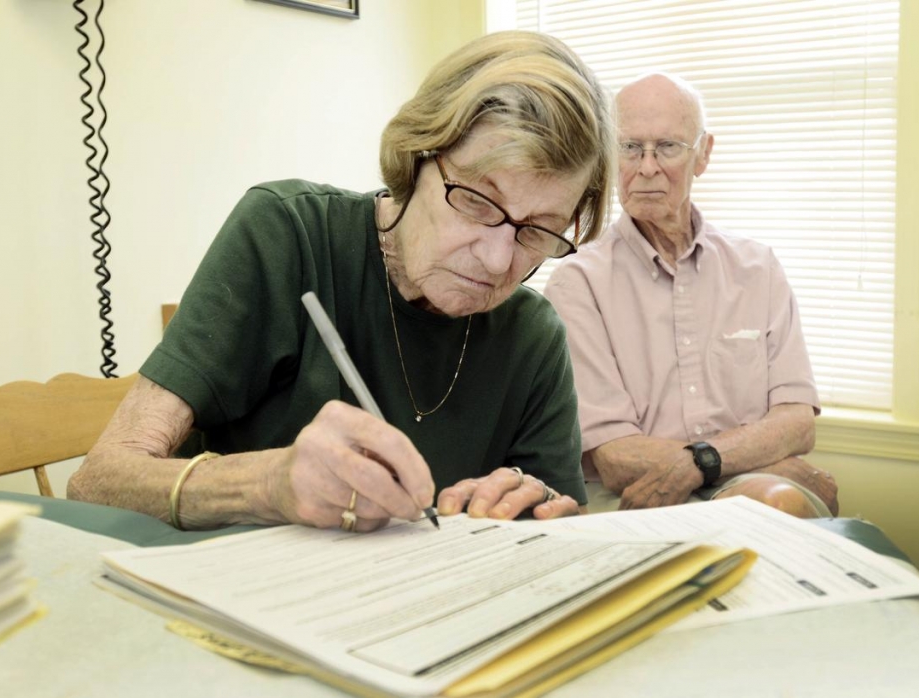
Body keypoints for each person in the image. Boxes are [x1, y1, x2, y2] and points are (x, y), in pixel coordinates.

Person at [68, 31, 616, 532]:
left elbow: (564, 527)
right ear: (415, 156)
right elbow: (97, 482)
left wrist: (536, 515)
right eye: (475, 201)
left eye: (538, 231)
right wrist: (268, 483)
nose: (499, 262)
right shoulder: (287, 235)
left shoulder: (533, 335)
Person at [544, 72, 838, 518]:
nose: (646, 168)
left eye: (667, 147)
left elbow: (797, 424)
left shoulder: (757, 268)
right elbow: (615, 456)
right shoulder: (577, 281)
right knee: (781, 500)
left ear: (703, 154)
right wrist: (762, 461)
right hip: (638, 499)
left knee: (775, 504)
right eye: (629, 147)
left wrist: (700, 464)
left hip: (749, 484)